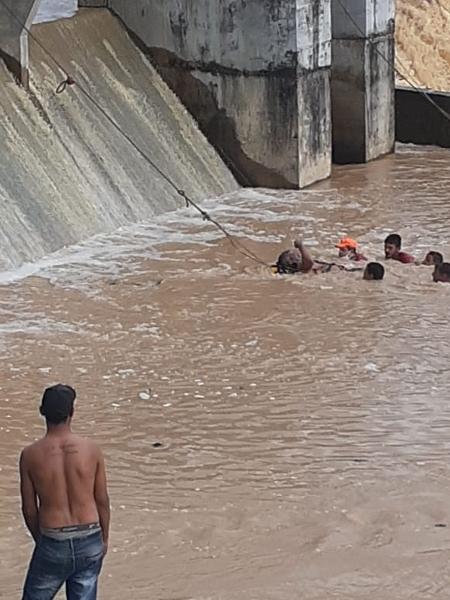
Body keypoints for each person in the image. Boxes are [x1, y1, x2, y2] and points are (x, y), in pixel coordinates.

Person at [20, 384, 110, 600]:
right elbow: (102, 501)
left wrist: (42, 542)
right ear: (72, 412)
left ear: (42, 411)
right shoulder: (91, 449)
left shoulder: (30, 455)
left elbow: (29, 509)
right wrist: (104, 539)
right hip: (90, 537)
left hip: (53, 539)